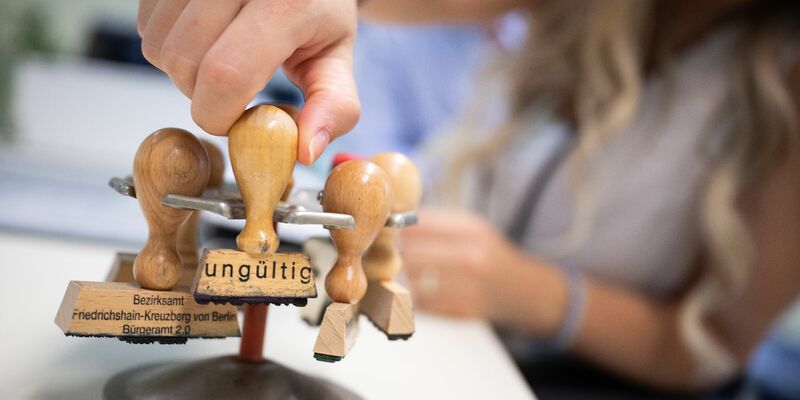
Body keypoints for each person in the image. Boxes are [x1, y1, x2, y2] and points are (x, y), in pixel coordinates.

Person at [137, 0, 800, 397]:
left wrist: (528, 291)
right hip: (449, 343)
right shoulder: (593, 14)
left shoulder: (785, 77)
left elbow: (717, 341)